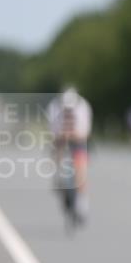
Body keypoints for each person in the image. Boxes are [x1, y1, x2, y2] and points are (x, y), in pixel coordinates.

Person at [48, 87, 93, 224]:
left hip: (78, 141)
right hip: (60, 140)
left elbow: (85, 133)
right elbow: (53, 133)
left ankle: (82, 203)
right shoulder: (54, 107)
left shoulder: (83, 107)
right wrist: (61, 136)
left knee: (81, 170)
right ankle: (58, 178)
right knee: (56, 155)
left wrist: (73, 135)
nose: (67, 111)